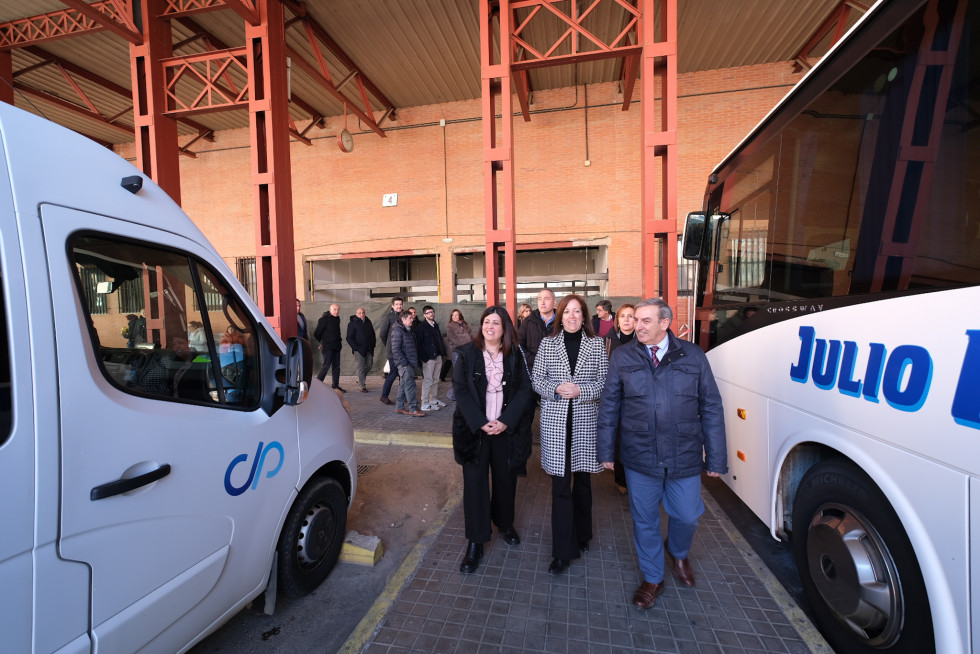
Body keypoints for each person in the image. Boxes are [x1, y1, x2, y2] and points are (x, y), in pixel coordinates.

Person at [596, 298, 727, 611]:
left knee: (687, 515)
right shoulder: (623, 356)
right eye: (636, 320)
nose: (637, 326)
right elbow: (610, 404)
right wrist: (605, 450)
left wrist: (717, 458)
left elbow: (710, 406)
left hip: (684, 453)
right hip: (639, 454)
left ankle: (678, 552)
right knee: (645, 520)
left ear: (665, 323)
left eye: (645, 321)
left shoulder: (693, 355)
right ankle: (653, 577)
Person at [531, 293, 608, 575]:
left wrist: (581, 390)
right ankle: (563, 551)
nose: (572, 317)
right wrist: (553, 389)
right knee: (561, 486)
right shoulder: (548, 343)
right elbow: (536, 379)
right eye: (567, 312)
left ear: (584, 316)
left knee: (583, 484)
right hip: (555, 424)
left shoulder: (597, 344)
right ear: (559, 316)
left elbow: (604, 382)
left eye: (577, 312)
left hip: (586, 423)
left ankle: (583, 534)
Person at [453, 306, 533, 574]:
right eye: (486, 322)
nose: (490, 327)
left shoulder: (515, 355)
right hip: (475, 431)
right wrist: (481, 422)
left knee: (505, 480)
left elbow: (524, 390)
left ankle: (505, 523)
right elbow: (461, 392)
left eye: (496, 323)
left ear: (505, 328)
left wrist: (505, 420)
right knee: (475, 486)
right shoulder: (466, 354)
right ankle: (475, 541)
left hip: (505, 430)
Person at [604, 303, 636, 493]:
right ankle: (622, 480)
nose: (626, 319)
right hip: (615, 397)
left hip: (636, 398)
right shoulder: (607, 341)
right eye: (622, 316)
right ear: (617, 320)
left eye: (630, 316)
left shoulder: (642, 341)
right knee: (618, 439)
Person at [390, 310, 425, 417]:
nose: (412, 320)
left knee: (404, 384)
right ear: (403, 319)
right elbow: (395, 349)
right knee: (410, 385)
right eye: (410, 318)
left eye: (412, 318)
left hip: (409, 362)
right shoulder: (398, 331)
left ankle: (399, 407)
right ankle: (413, 409)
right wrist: (405, 363)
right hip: (405, 363)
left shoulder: (406, 330)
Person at [519, 288, 557, 373]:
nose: (542, 302)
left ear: (554, 302)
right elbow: (519, 344)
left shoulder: (561, 321)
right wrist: (534, 359)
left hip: (557, 372)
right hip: (533, 370)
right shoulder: (528, 321)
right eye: (540, 299)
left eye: (546, 299)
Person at [418, 305, 448, 411]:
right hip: (429, 358)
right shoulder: (421, 327)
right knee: (428, 380)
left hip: (438, 356)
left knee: (435, 379)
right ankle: (424, 403)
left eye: (432, 312)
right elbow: (419, 344)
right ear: (424, 315)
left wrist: (441, 353)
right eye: (429, 312)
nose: (431, 314)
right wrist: (425, 358)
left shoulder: (435, 325)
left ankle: (433, 399)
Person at [443, 308, 474, 400]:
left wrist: (467, 338)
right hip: (456, 352)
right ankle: (452, 394)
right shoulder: (450, 326)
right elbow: (455, 339)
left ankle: (461, 393)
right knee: (458, 374)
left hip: (467, 352)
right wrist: (467, 337)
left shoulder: (466, 324)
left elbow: (472, 336)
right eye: (453, 315)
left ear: (460, 315)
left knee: (466, 373)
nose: (455, 317)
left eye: (456, 315)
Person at [379, 296, 404, 405]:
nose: (399, 306)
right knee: (393, 374)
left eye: (400, 304)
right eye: (397, 304)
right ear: (393, 306)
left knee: (403, 375)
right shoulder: (388, 318)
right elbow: (383, 334)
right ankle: (384, 396)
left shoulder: (404, 316)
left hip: (403, 351)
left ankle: (403, 395)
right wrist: (390, 345)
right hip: (393, 352)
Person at [314, 304, 345, 391]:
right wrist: (322, 342)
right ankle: (317, 385)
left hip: (337, 347)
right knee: (326, 366)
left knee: (336, 367)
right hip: (328, 347)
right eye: (334, 310)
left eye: (338, 310)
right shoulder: (324, 319)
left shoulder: (337, 319)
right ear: (330, 310)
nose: (336, 311)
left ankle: (335, 386)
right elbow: (316, 333)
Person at [346, 307, 376, 392]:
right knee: (361, 367)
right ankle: (362, 386)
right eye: (359, 313)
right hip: (359, 350)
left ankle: (360, 378)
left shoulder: (368, 322)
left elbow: (373, 334)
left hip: (369, 348)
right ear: (356, 314)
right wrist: (356, 348)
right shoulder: (352, 323)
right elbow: (349, 338)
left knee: (369, 365)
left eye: (363, 313)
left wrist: (373, 344)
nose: (362, 314)